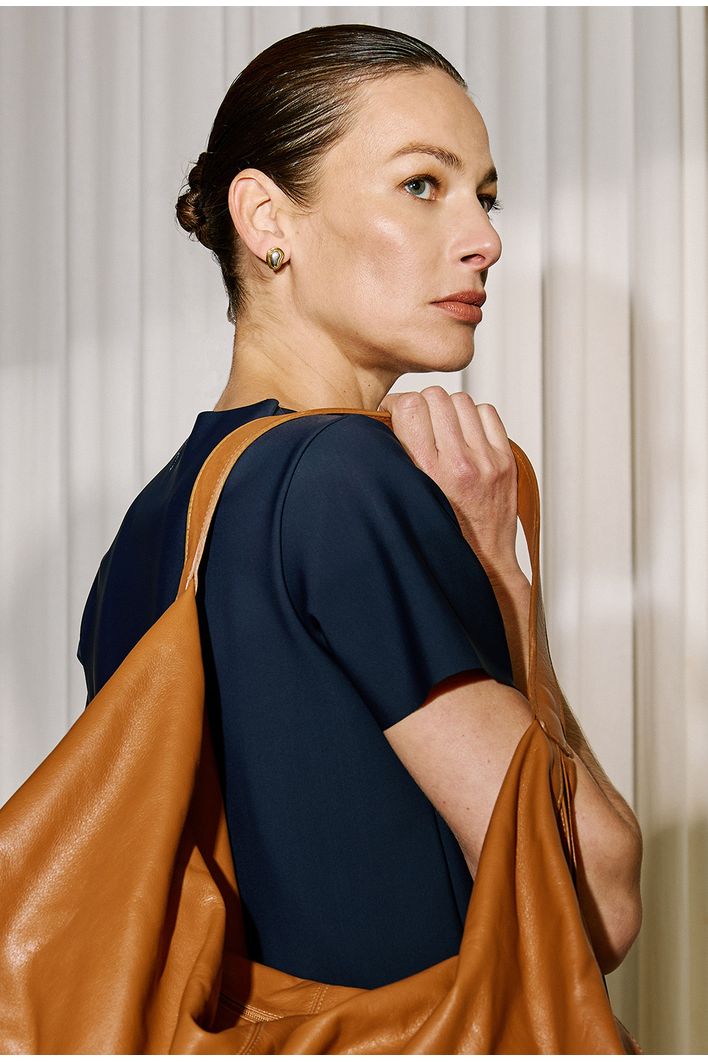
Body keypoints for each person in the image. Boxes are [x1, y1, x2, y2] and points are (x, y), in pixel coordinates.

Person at [77, 23, 642, 991]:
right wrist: (500, 574)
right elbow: (594, 900)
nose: (485, 240)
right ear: (266, 218)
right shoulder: (345, 477)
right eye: (421, 184)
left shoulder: (148, 528)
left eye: (485, 196)